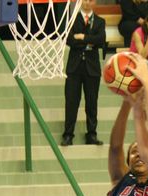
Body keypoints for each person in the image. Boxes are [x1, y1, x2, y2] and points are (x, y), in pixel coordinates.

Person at [61, 0, 106, 147]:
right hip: (74, 67)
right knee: (71, 102)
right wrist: (88, 42)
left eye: (90, 0)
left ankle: (91, 134)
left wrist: (82, 37)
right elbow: (69, 40)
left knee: (92, 103)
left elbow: (100, 40)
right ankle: (68, 134)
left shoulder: (100, 21)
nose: (87, 2)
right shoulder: (71, 19)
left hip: (92, 68)